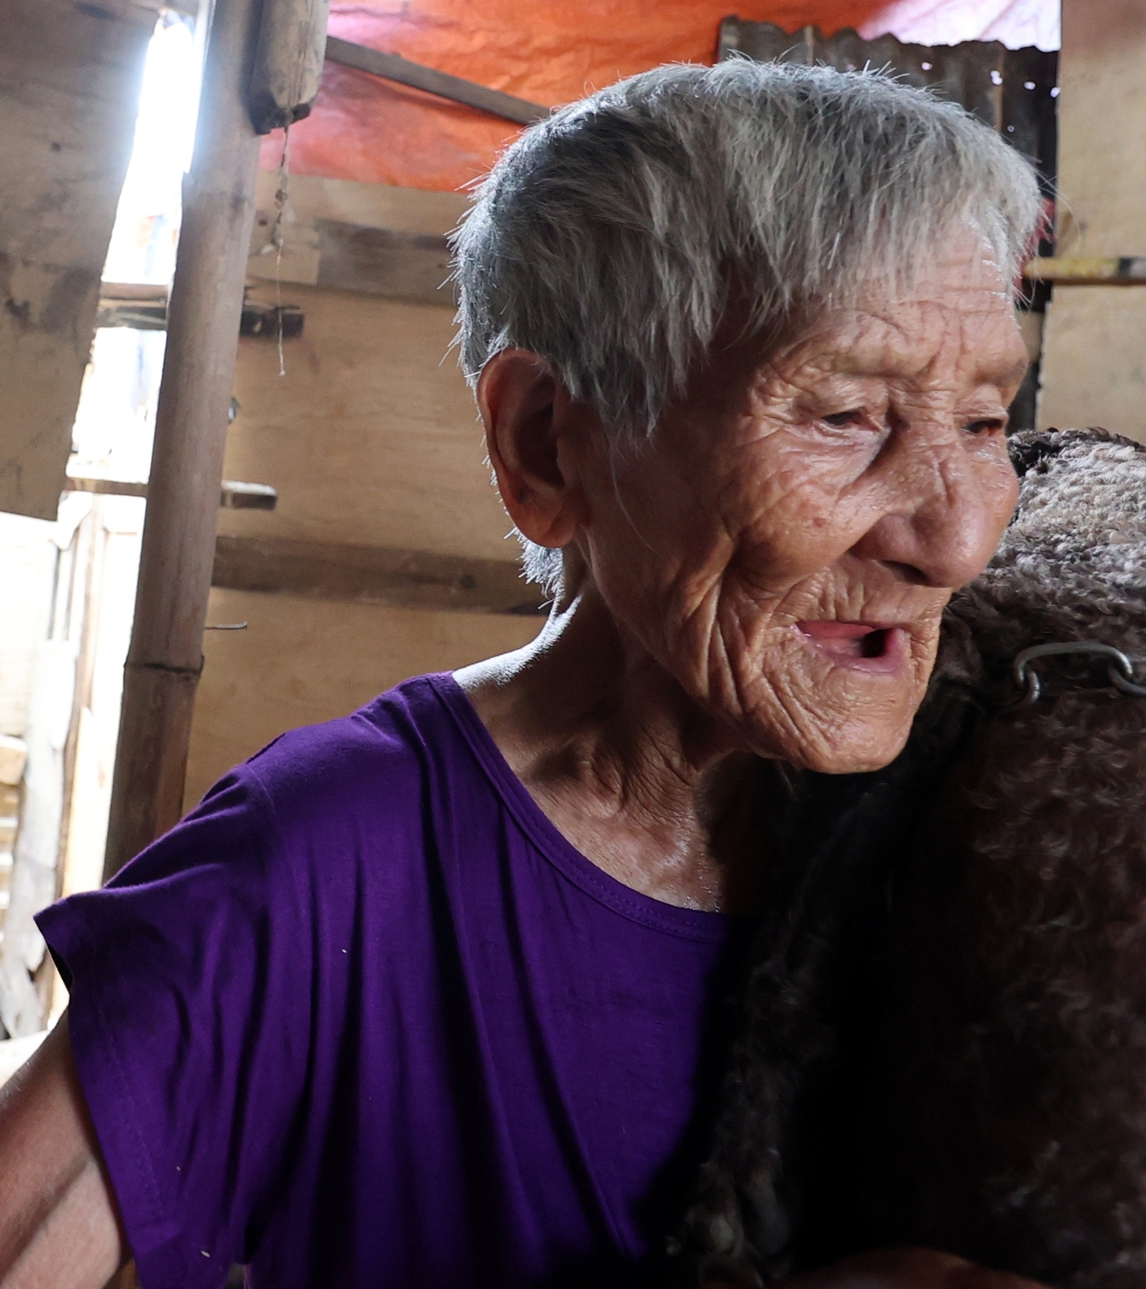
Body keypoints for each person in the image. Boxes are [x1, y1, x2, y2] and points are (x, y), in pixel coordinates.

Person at [0, 60, 1049, 1289]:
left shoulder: (996, 831)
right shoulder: (328, 861)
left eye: (984, 422)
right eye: (841, 415)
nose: (957, 536)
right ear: (546, 442)